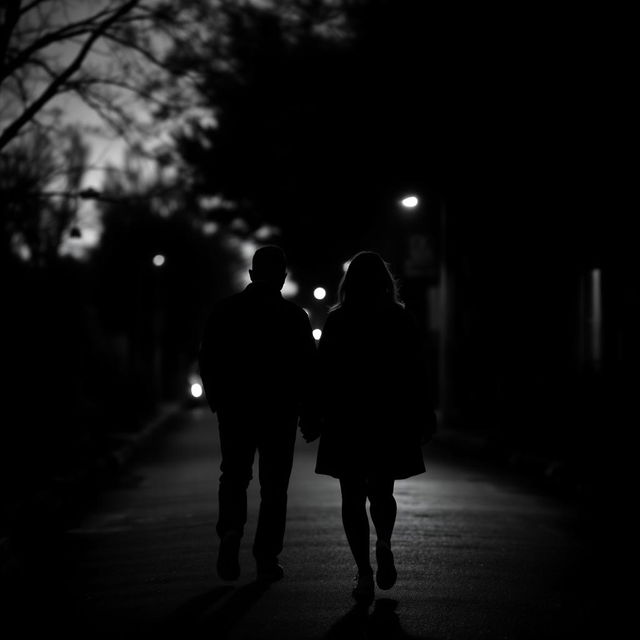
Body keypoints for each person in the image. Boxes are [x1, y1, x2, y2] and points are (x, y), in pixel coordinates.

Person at [301, 251, 436, 602]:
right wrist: (425, 413)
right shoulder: (399, 318)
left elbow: (323, 372)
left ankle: (363, 572)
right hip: (388, 417)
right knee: (382, 491)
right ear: (384, 282)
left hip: (347, 418)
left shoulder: (339, 320)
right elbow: (415, 370)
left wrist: (313, 415)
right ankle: (385, 542)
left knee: (351, 497)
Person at [199, 245, 316, 583]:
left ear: (252, 275)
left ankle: (232, 530)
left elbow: (208, 359)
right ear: (282, 277)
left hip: (236, 409)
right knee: (274, 487)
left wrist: (218, 400)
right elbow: (309, 369)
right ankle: (266, 557)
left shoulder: (224, 311)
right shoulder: (294, 317)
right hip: (280, 412)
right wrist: (309, 414)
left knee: (234, 475)